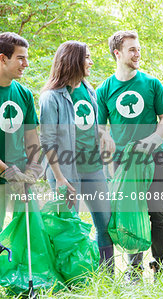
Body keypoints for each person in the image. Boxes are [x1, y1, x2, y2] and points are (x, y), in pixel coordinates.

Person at [96, 30, 163, 280]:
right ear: (117, 53)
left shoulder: (152, 83)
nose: (137, 53)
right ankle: (134, 270)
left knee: (158, 213)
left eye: (138, 48)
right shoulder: (104, 89)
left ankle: (161, 268)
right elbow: (99, 126)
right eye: (132, 49)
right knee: (130, 212)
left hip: (154, 158)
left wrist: (151, 140)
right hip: (123, 162)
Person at [39, 41, 114, 270]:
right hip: (64, 172)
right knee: (69, 226)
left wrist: (103, 134)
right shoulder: (51, 97)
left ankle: (107, 274)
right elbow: (47, 141)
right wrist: (60, 179)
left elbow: (89, 124)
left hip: (93, 167)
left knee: (105, 224)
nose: (91, 62)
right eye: (87, 57)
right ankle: (72, 277)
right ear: (74, 61)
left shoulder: (88, 89)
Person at [0, 32, 41, 231]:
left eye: (27, 58)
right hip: (8, 175)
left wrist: (32, 170)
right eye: (20, 58)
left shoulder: (24, 95)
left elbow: (32, 139)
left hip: (21, 180)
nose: (26, 64)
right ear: (2, 58)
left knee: (30, 236)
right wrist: (8, 172)